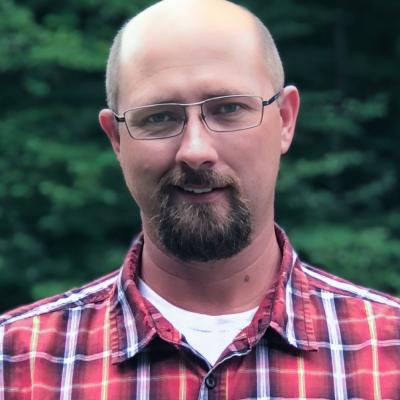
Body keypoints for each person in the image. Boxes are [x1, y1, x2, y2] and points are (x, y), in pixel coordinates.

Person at [1, 0, 399, 398]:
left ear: (285, 120)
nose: (195, 150)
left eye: (228, 109)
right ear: (116, 139)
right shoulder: (17, 365)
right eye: (159, 117)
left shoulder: (389, 353)